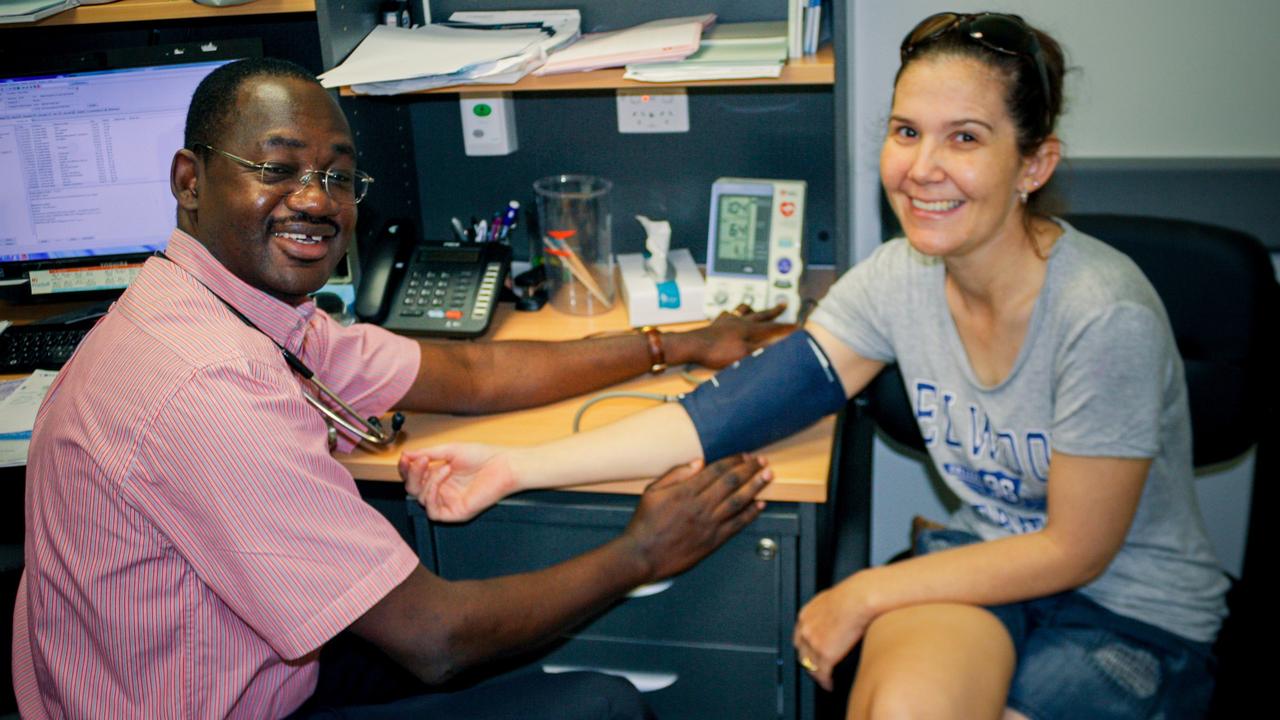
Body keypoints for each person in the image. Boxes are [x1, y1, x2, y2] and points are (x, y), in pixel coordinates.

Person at [403, 12, 1229, 719]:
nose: (923, 168)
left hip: (1126, 614)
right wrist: (511, 467)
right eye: (907, 131)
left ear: (1034, 165)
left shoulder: (1100, 313)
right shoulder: (902, 278)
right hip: (981, 563)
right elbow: (721, 412)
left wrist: (861, 593)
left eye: (965, 138)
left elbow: (1073, 551)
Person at [13, 57, 788, 719]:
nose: (317, 199)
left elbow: (473, 373)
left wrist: (676, 342)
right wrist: (643, 551)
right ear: (190, 179)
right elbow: (436, 641)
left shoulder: (228, 308)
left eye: (339, 177)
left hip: (228, 663)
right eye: (277, 169)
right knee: (601, 704)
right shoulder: (210, 385)